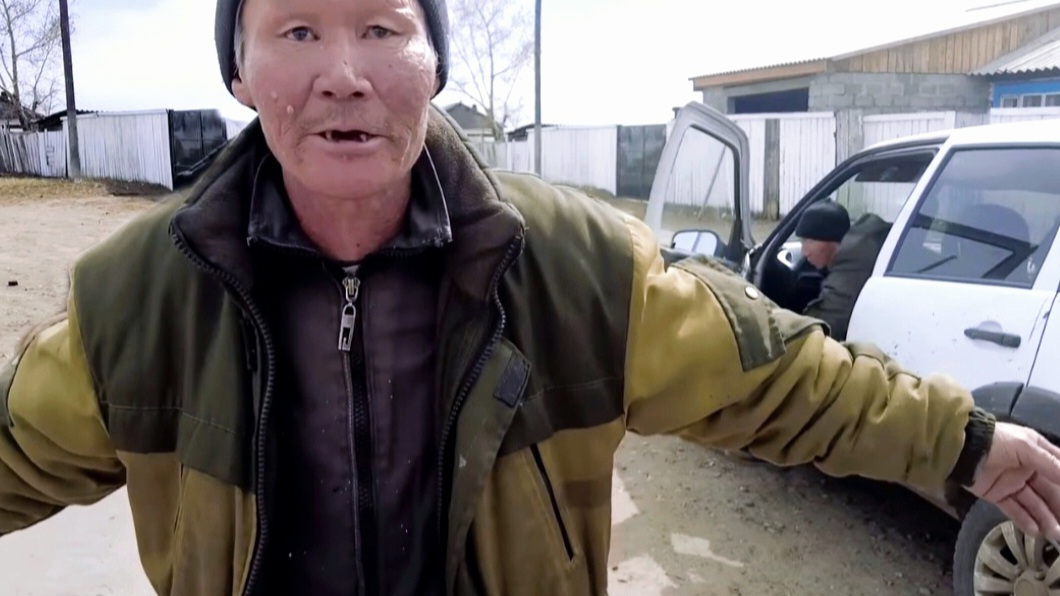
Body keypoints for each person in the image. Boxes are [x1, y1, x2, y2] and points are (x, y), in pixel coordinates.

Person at [2, 2, 1060, 595]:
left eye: (382, 28)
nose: (344, 73)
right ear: (238, 71)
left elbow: (777, 377)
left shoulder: (574, 265)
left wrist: (965, 442)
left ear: (434, 65)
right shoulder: (137, 297)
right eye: (296, 31)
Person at [795, 200, 893, 341]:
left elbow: (818, 331)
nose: (804, 252)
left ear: (831, 241)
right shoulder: (858, 250)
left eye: (808, 241)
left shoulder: (851, 269)